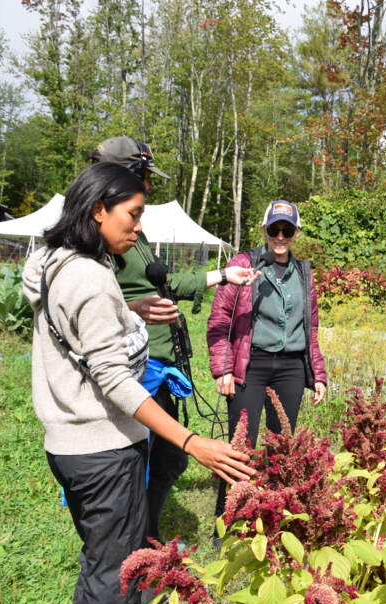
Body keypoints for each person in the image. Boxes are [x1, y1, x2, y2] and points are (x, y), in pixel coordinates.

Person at [22, 162, 256, 604]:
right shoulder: (87, 275)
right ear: (97, 209)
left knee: (101, 565)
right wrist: (193, 442)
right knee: (121, 579)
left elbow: (83, 333)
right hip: (104, 448)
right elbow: (113, 379)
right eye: (132, 214)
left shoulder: (56, 262)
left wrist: (131, 312)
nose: (138, 225)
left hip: (68, 446)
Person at [90, 136, 256, 543]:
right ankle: (137, 545)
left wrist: (220, 276)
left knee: (166, 461)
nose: (149, 186)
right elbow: (88, 305)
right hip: (133, 367)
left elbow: (161, 284)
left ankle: (145, 537)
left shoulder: (133, 231)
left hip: (159, 361)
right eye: (145, 176)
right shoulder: (99, 239)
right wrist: (133, 310)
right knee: (149, 461)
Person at [207, 200, 328, 518]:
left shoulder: (303, 272)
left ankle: (274, 514)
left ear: (296, 233)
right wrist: (222, 369)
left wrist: (317, 374)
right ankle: (228, 516)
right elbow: (220, 318)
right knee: (240, 443)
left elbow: (310, 327)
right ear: (265, 230)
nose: (279, 236)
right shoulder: (244, 263)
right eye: (274, 229)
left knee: (282, 445)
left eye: (286, 230)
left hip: (289, 368)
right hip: (251, 365)